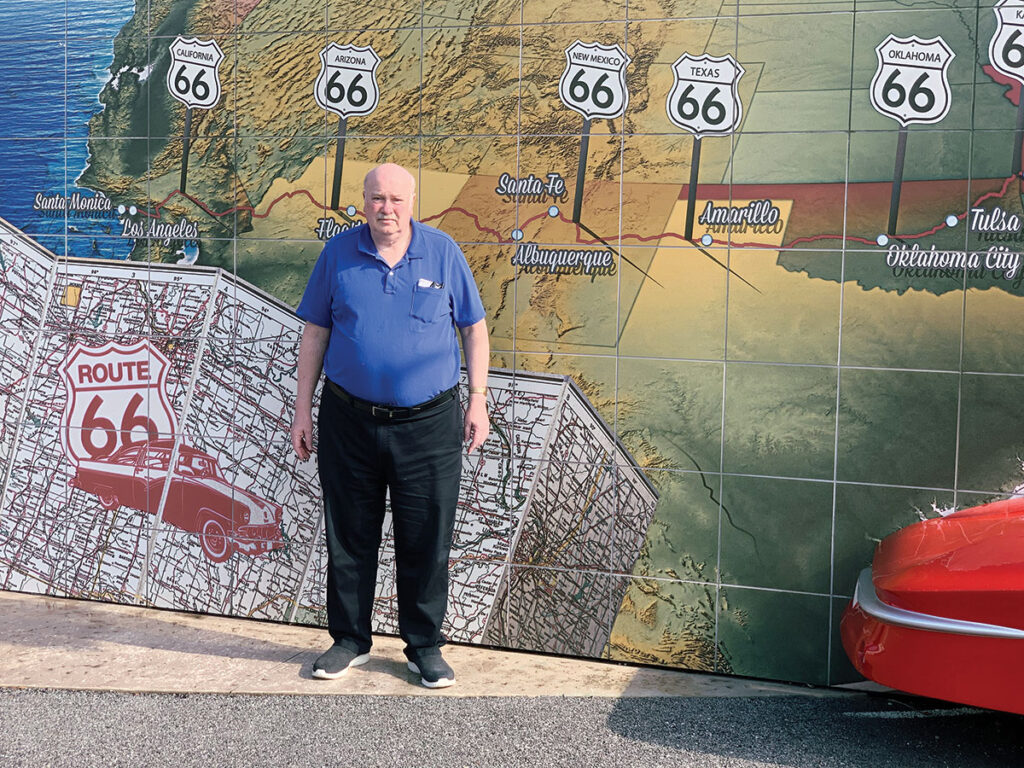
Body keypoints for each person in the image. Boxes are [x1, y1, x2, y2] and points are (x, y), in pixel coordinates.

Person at [290, 163, 489, 689]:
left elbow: (474, 329)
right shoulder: (338, 254)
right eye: (377, 198)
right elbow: (315, 333)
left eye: (397, 199)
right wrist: (301, 409)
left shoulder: (443, 251)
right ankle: (350, 641)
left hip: (428, 427)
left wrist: (478, 400)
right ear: (363, 201)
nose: (387, 209)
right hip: (348, 421)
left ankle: (424, 647)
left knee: (426, 539)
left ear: (413, 201)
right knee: (349, 537)